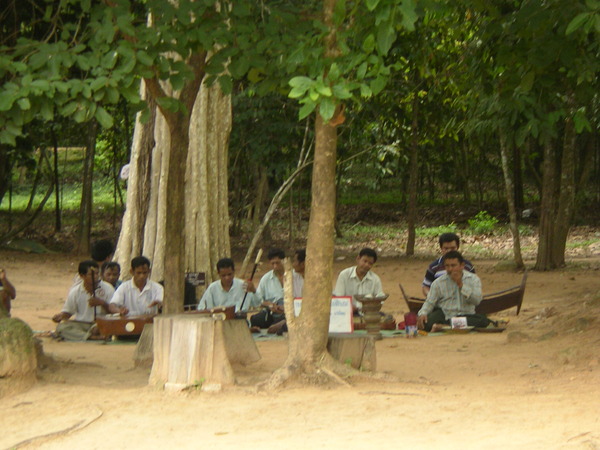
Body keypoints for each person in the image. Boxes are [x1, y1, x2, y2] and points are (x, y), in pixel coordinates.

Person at [417, 250, 489, 332]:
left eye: (453, 265)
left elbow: (477, 300)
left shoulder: (473, 279)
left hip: (466, 315)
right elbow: (430, 302)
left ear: (462, 265)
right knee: (425, 323)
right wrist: (423, 313)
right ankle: (451, 325)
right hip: (446, 315)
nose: (450, 269)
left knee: (483, 321)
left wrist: (461, 284)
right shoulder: (438, 282)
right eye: (447, 266)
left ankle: (444, 326)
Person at [52, 260, 115, 340]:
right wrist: (60, 316)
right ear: (82, 276)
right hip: (82, 324)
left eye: (97, 273)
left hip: (100, 323)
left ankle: (84, 336)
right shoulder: (75, 291)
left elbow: (114, 312)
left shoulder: (108, 288)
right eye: (91, 274)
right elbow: (68, 312)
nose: (96, 277)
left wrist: (102, 303)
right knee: (61, 327)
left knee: (105, 327)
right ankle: (91, 337)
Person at [422, 232, 475, 296]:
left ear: (457, 247)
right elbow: (426, 286)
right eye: (446, 248)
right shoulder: (434, 267)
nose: (449, 251)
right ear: (441, 248)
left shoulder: (468, 266)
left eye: (453, 248)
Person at [334, 247, 385, 313]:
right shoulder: (344, 275)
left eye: (370, 263)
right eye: (365, 261)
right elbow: (339, 298)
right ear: (358, 259)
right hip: (348, 313)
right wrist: (350, 307)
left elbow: (380, 298)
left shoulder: (375, 279)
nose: (366, 265)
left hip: (368, 313)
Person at [246, 248, 286, 330]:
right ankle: (278, 325)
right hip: (272, 313)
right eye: (273, 263)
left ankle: (279, 325)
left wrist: (285, 308)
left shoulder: (294, 276)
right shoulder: (266, 279)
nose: (275, 266)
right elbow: (259, 300)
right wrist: (270, 305)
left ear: (284, 261)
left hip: (289, 312)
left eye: (277, 263)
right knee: (255, 320)